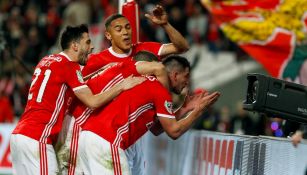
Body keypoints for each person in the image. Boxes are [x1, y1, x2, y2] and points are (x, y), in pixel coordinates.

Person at [10, 24, 145, 175]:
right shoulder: (70, 66)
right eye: (87, 42)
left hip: (19, 135)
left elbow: (68, 81)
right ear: (75, 46)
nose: (92, 47)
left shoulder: (48, 60)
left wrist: (102, 70)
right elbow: (92, 101)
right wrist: (121, 86)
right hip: (37, 137)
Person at [78, 55, 220, 175]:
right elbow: (174, 131)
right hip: (107, 141)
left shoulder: (147, 84)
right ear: (175, 75)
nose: (187, 81)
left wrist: (184, 109)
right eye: (186, 76)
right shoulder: (159, 90)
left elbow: (156, 129)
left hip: (88, 138)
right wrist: (199, 111)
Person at [57, 51, 168, 175]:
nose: (158, 78)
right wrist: (165, 97)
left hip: (90, 130)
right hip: (78, 125)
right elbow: (159, 68)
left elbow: (157, 128)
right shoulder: (126, 70)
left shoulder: (128, 80)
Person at [81, 4, 189, 77]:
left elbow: (182, 47)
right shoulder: (95, 61)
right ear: (108, 35)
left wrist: (165, 25)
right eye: (119, 29)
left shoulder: (145, 49)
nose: (125, 32)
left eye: (128, 27)